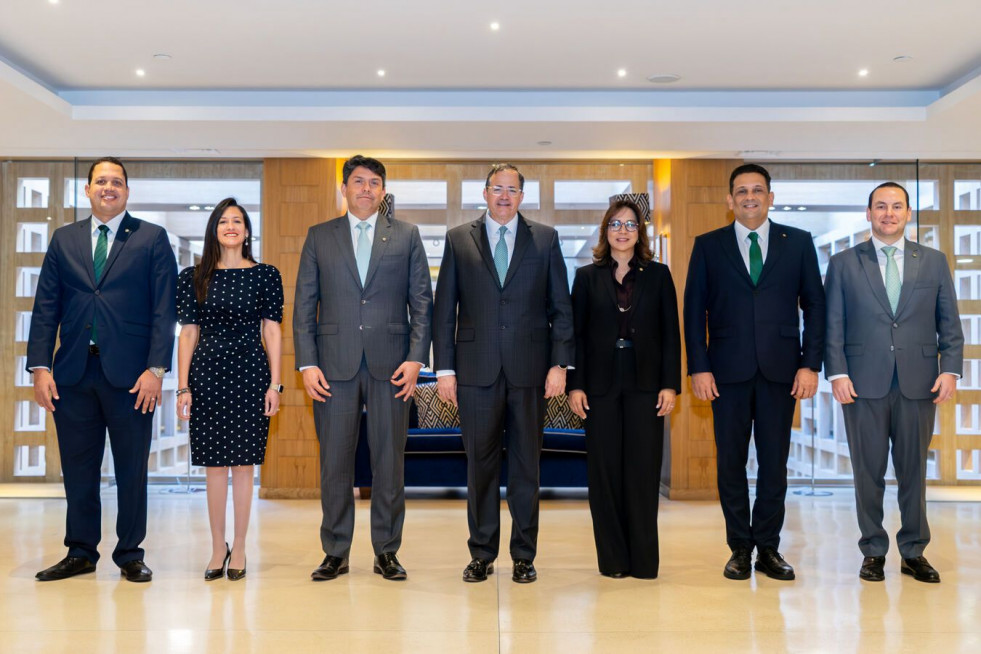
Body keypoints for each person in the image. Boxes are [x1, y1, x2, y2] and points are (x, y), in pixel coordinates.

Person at [27, 156, 177, 583]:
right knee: (78, 468)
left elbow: (164, 309)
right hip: (72, 373)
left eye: (116, 182)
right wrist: (41, 367)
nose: (108, 187)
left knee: (132, 468)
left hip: (132, 378)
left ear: (127, 192)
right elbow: (46, 307)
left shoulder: (151, 238)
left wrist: (156, 368)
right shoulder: (64, 239)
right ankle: (80, 551)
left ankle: (129, 552)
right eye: (101, 181)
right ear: (87, 190)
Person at [433, 163, 574, 584]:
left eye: (513, 189)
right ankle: (482, 553)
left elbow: (560, 308)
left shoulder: (545, 239)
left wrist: (559, 364)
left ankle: (524, 556)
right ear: (485, 192)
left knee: (528, 468)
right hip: (475, 372)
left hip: (531, 372)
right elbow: (445, 310)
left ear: (521, 196)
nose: (505, 196)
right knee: (480, 467)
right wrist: (444, 369)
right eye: (498, 188)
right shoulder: (459, 239)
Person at [683, 163, 825, 581]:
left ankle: (769, 548)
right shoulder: (708, 245)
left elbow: (814, 306)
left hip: (783, 371)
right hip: (725, 372)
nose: (749, 197)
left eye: (757, 190)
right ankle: (739, 548)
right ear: (729, 200)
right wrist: (699, 368)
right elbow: (694, 313)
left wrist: (810, 364)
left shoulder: (798, 243)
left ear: (770, 197)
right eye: (741, 191)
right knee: (730, 463)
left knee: (774, 464)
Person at [294, 155, 432, 582]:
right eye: (359, 181)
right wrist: (307, 363)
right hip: (332, 366)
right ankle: (335, 551)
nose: (367, 189)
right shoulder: (320, 237)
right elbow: (303, 307)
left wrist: (415, 358)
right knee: (334, 462)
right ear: (344, 188)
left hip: (392, 366)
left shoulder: (406, 236)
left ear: (383, 191)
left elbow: (422, 303)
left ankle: (386, 551)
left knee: (389, 462)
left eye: (375, 182)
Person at [825, 182, 963, 583]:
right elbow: (833, 323)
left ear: (907, 213)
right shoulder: (844, 263)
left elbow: (948, 323)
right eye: (880, 206)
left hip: (919, 383)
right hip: (861, 384)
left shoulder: (934, 262)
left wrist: (950, 369)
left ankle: (913, 550)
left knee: (913, 471)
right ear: (868, 213)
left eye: (896, 206)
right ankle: (873, 550)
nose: (888, 213)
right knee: (867, 473)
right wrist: (837, 372)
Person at [567, 199, 681, 579]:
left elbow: (670, 335)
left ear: (640, 232)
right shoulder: (585, 277)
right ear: (605, 230)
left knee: (643, 470)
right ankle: (613, 560)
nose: (622, 230)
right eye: (615, 224)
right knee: (604, 473)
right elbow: (576, 337)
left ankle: (644, 561)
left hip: (646, 382)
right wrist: (575, 385)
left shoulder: (659, 275)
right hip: (598, 384)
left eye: (630, 225)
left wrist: (670, 384)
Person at [175, 198, 283, 581]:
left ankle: (239, 546)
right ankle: (216, 545)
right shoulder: (193, 276)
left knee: (243, 465)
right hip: (207, 376)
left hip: (251, 375)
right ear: (214, 230)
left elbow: (272, 330)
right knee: (214, 467)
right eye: (223, 221)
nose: (231, 226)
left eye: (238, 220)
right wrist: (182, 387)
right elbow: (188, 333)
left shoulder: (266, 274)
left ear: (247, 230)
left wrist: (275, 383)